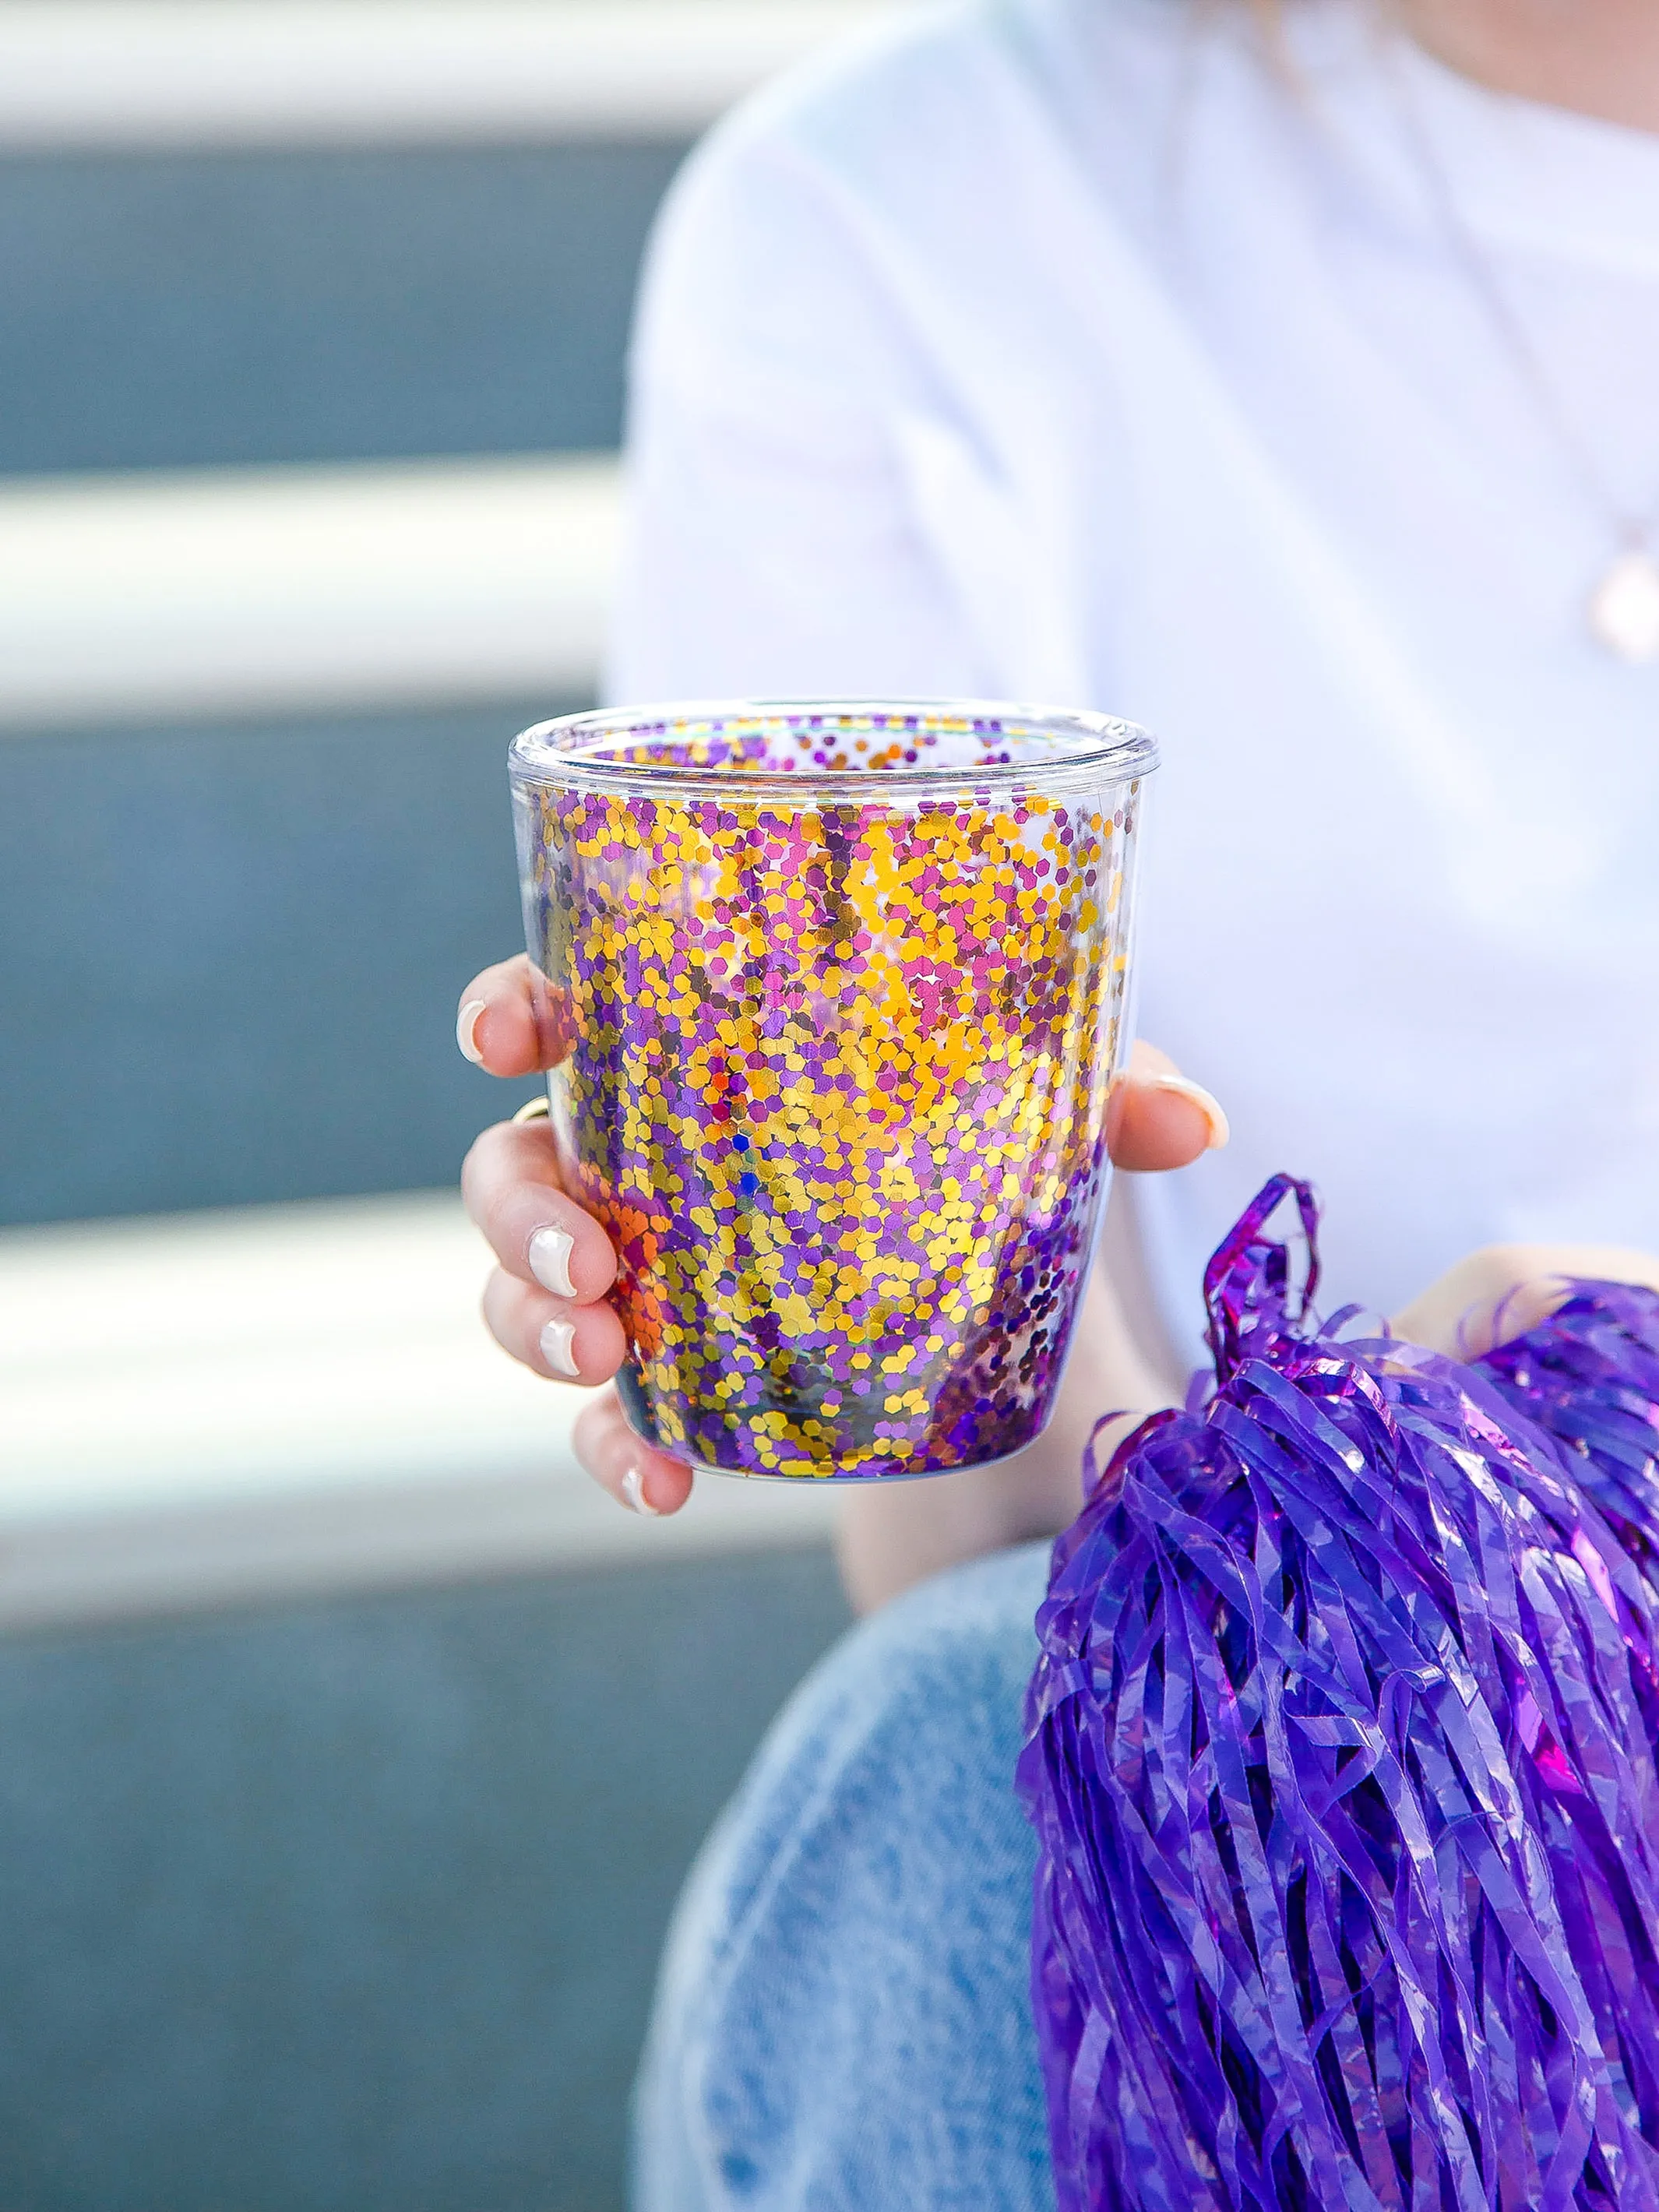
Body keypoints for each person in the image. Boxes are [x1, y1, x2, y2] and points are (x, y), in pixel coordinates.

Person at [453, 0, 1659, 2195]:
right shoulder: (907, 215)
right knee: (959, 1774)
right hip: (1345, 1720)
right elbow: (994, 1542)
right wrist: (847, 1243)